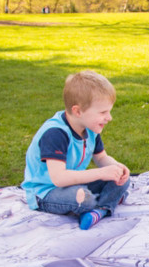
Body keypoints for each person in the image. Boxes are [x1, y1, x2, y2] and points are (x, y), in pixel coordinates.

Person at [22, 70, 130, 230]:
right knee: (84, 198)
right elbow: (59, 179)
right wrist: (102, 173)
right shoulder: (55, 133)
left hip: (75, 183)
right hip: (46, 192)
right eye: (103, 112)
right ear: (78, 111)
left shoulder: (90, 128)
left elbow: (101, 158)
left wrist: (116, 167)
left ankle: (99, 211)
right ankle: (105, 202)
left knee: (121, 179)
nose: (109, 117)